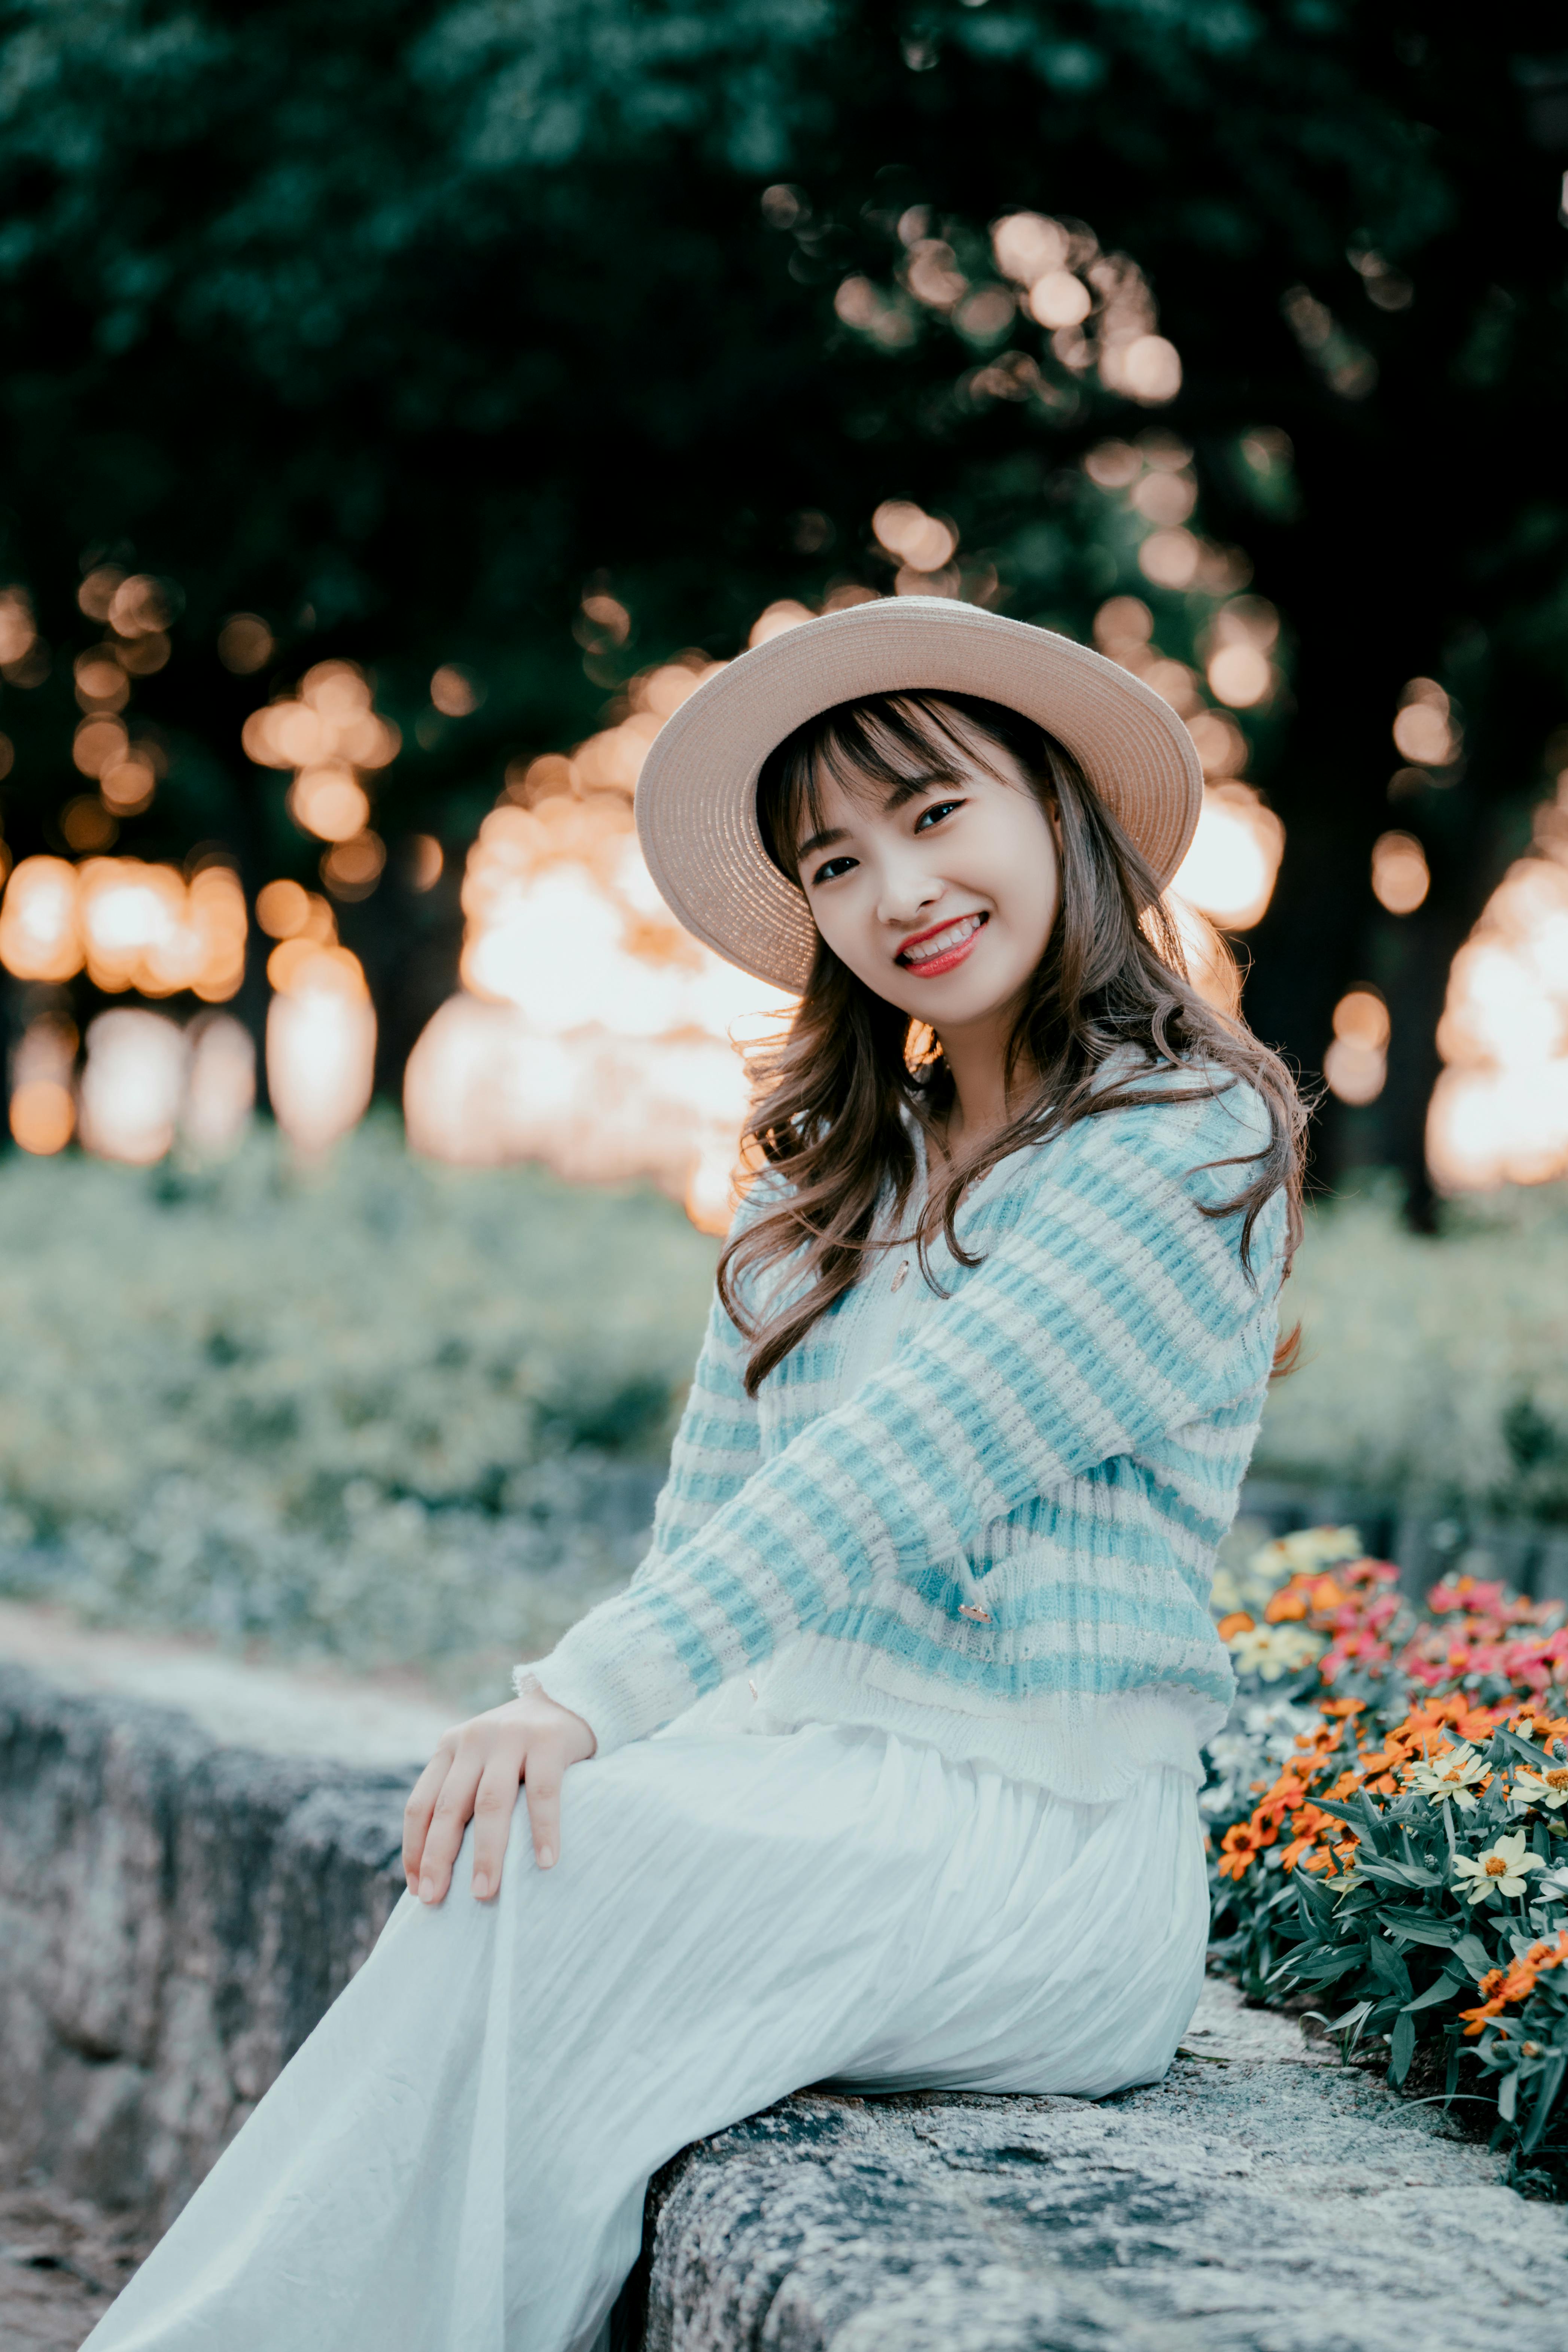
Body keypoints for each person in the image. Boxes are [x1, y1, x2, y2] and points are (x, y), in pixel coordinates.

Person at [85, 596, 1306, 2352]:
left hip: (1043, 1844)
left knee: (547, 1874)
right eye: (836, 860)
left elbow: (909, 1454)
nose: (899, 890)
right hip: (820, 1790)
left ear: (1058, 814)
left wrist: (577, 1698)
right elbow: (712, 1517)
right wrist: (601, 1734)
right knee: (516, 1870)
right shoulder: (828, 1174)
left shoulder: (1180, 1139)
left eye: (939, 812)